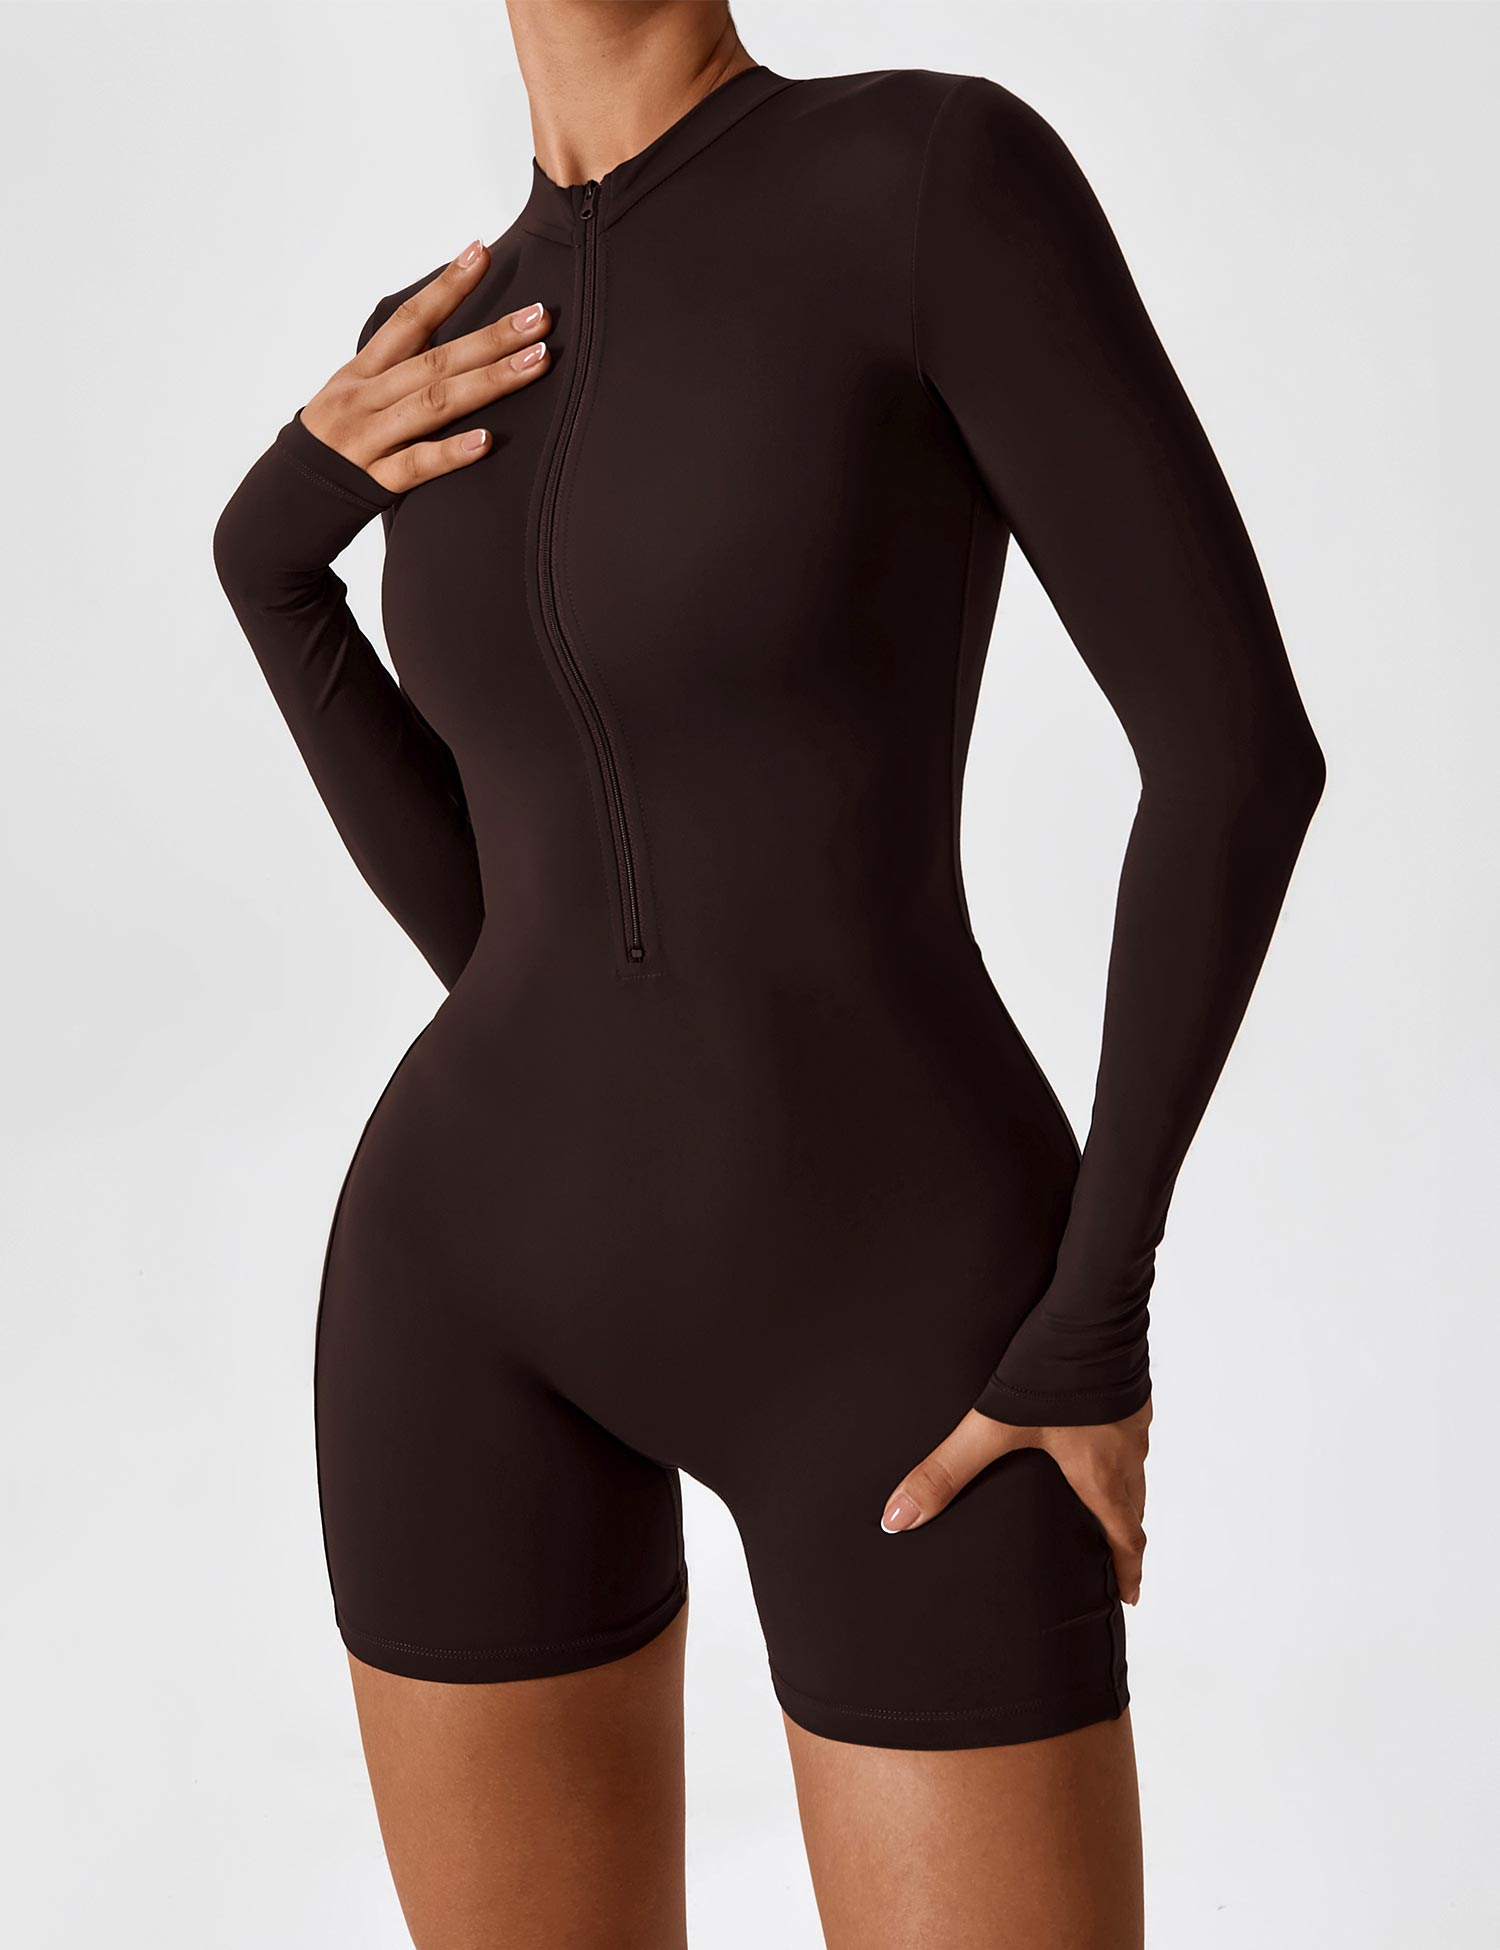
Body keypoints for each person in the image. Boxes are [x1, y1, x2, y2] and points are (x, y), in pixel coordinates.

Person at [211, 2, 1325, 1943]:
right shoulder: (434, 335)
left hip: (902, 1322)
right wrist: (271, 563)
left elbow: (1238, 759)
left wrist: (1096, 1312)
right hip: (463, 1300)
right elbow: (512, 933)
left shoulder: (927, 184)